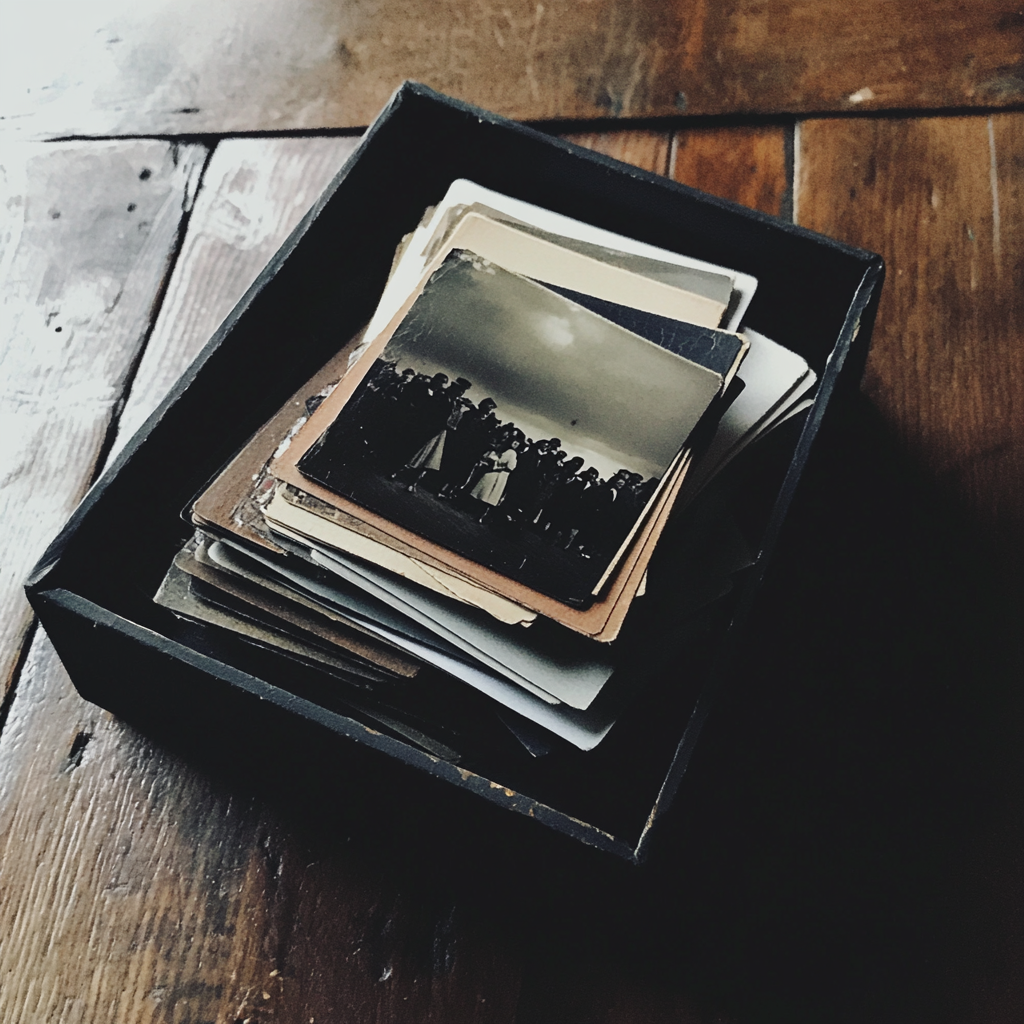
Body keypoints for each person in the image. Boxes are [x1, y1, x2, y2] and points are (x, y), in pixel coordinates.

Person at [468, 439, 519, 523]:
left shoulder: (512, 453)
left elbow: (511, 467)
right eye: (514, 442)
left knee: (489, 496)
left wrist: (496, 465)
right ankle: (475, 512)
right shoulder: (502, 449)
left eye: (517, 443)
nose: (515, 444)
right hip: (492, 473)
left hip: (500, 474)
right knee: (484, 492)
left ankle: (481, 516)